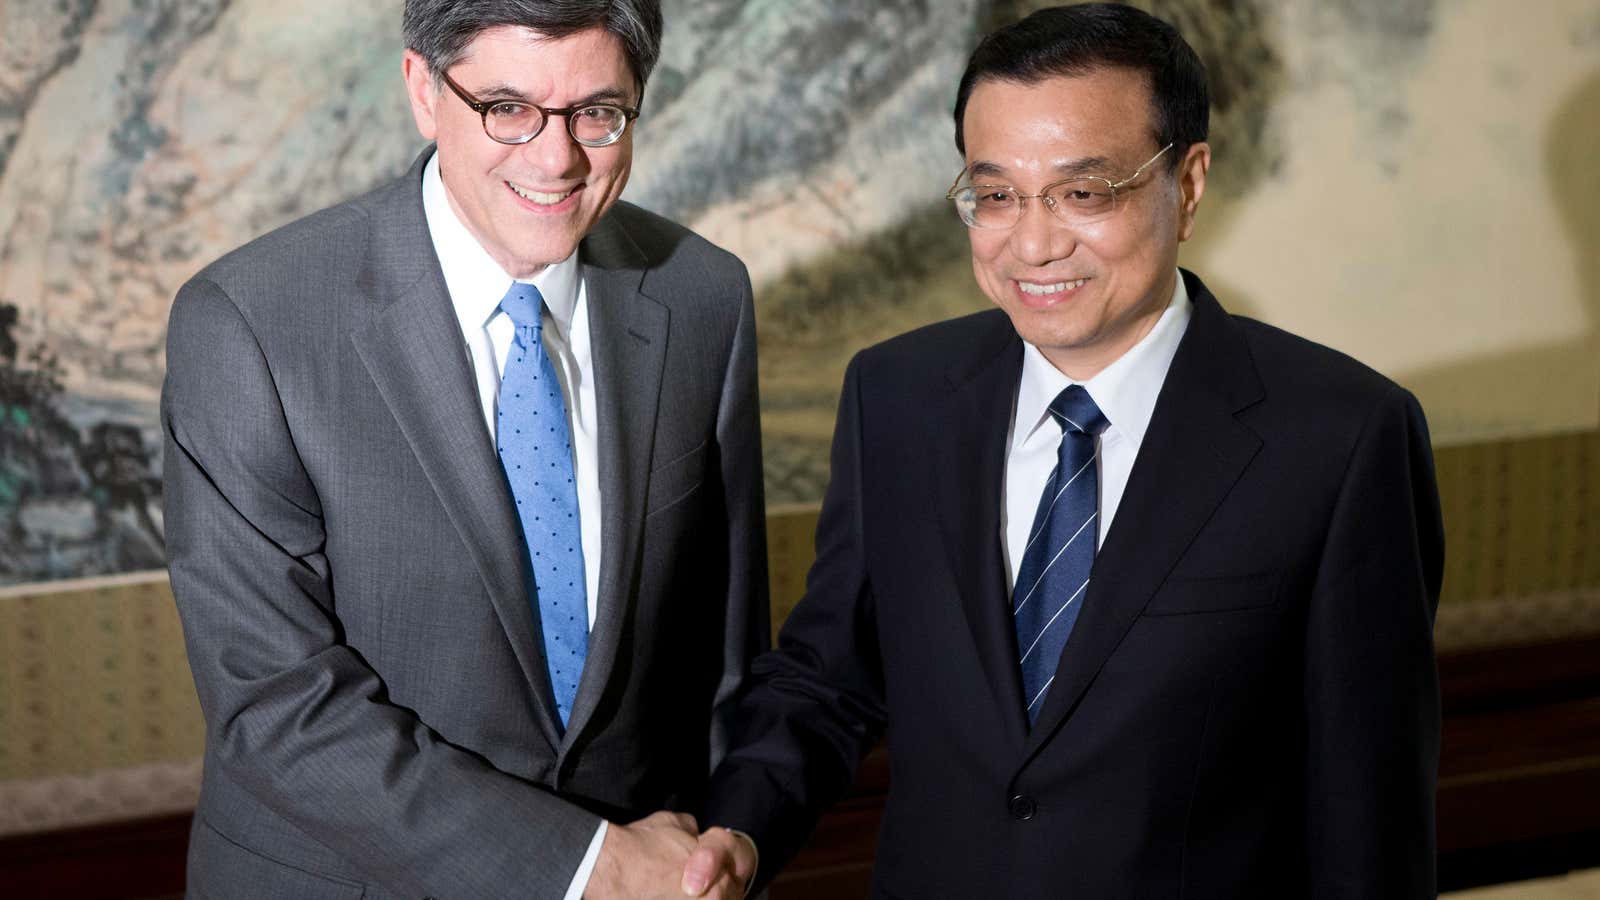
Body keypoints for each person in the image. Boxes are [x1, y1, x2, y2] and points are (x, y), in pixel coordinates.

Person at [681, 4, 1444, 897]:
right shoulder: (897, 398)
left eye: (1084, 193)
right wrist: (738, 827)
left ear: (1188, 184)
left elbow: (1370, 824)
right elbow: (831, 675)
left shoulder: (1342, 438)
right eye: (996, 195)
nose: (1034, 243)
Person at [161, 1, 767, 897]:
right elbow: (275, 705)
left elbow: (727, 654)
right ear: (421, 89)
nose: (556, 158)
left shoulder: (704, 295)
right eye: (508, 108)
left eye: (597, 112)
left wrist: (729, 848)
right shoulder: (249, 324)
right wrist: (586, 866)